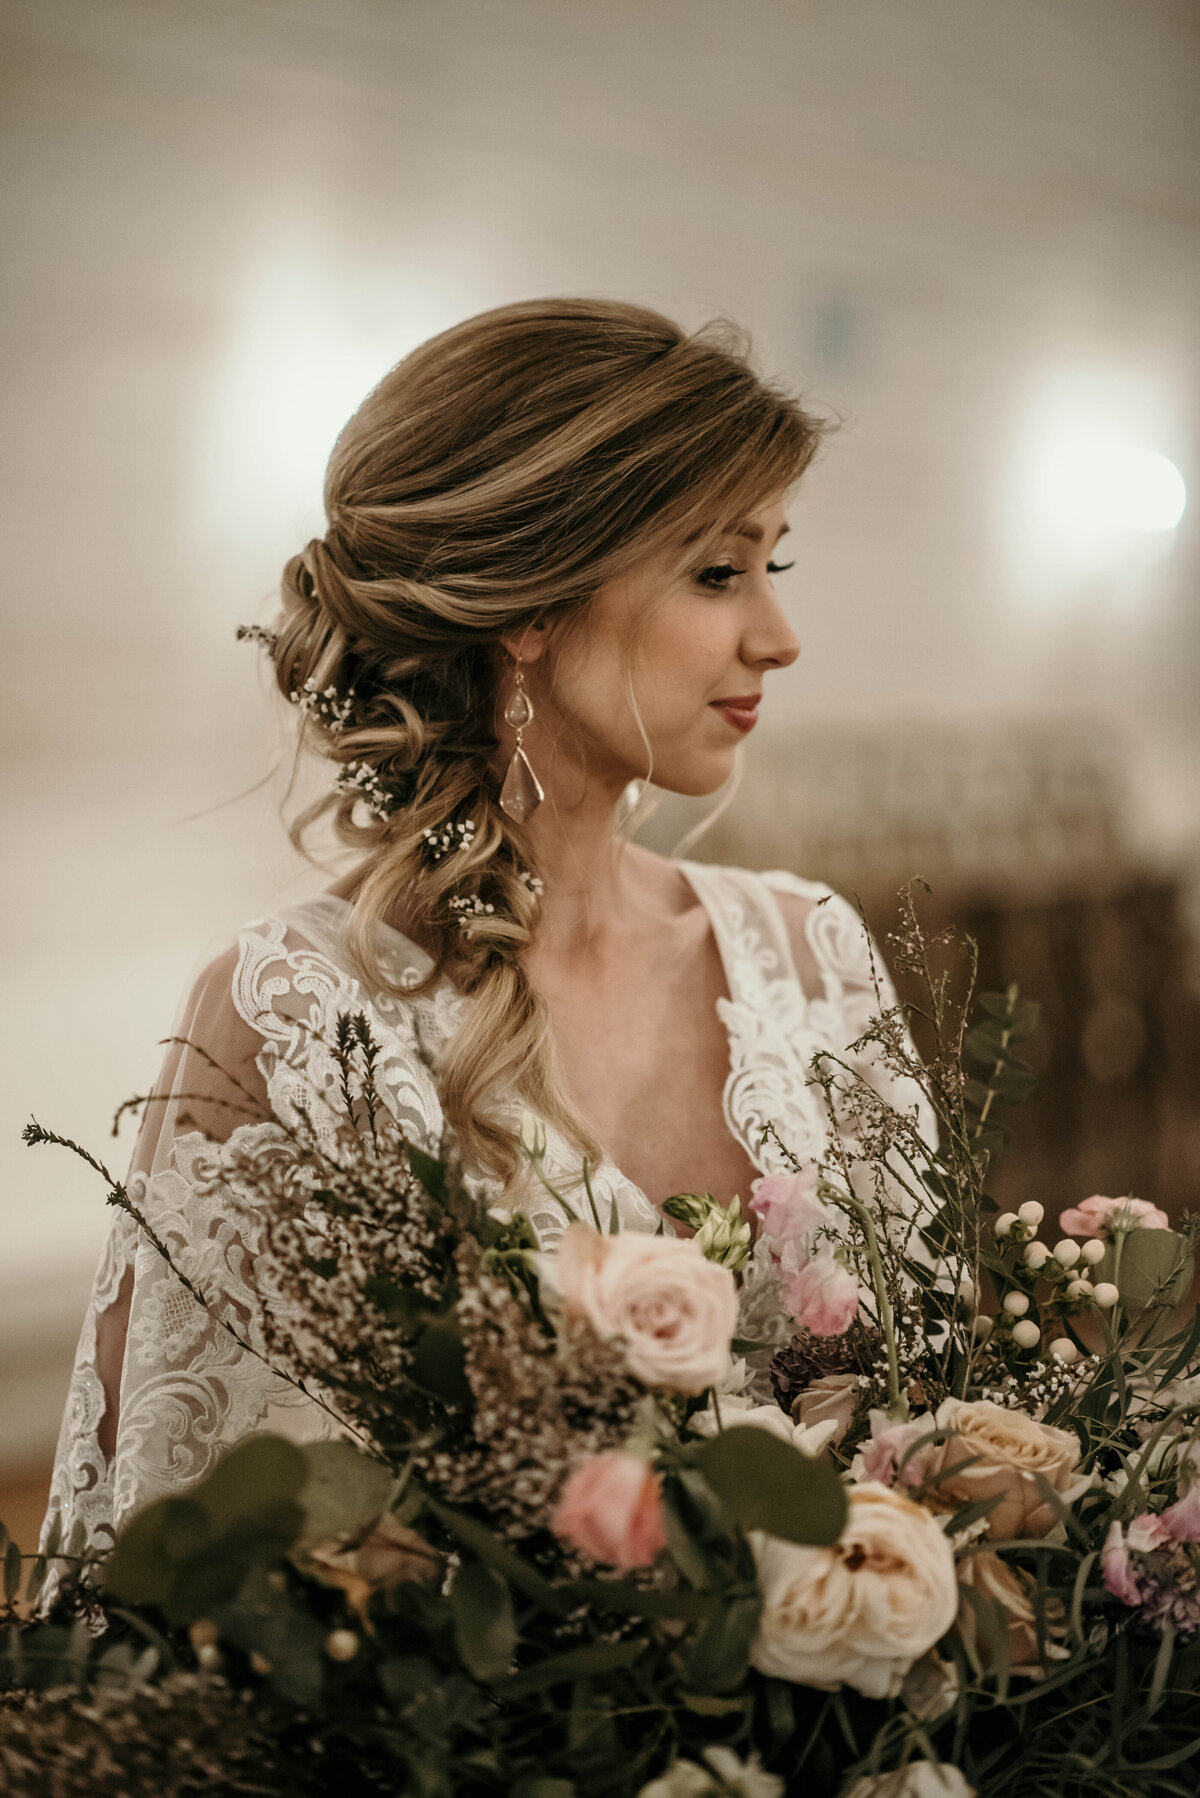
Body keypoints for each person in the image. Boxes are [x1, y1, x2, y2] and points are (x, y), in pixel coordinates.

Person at [42, 298, 932, 1560]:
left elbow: (931, 1426)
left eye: (772, 567)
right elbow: (196, 1554)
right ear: (530, 607)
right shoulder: (293, 1012)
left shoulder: (812, 952)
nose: (779, 638)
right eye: (720, 572)